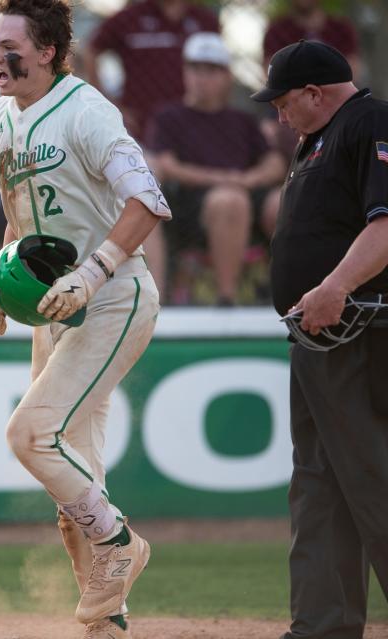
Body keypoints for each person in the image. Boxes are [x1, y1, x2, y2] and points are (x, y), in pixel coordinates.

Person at [0, 0, 171, 635]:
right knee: (72, 499)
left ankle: (122, 543)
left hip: (112, 299)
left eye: (10, 45)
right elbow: (21, 211)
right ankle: (105, 622)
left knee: (30, 436)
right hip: (49, 308)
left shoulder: (87, 111)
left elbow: (148, 199)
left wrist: (92, 272)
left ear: (47, 52)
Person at [251, 40, 388, 639]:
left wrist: (333, 287)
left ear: (315, 93)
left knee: (373, 478)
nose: (279, 117)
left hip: (360, 332)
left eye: (284, 103)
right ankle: (321, 628)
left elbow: (387, 223)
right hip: (317, 337)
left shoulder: (370, 121)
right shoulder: (316, 137)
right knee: (317, 484)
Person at [146, 32, 285, 305]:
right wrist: (222, 179)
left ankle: (296, 293)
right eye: (195, 68)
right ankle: (227, 299)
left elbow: (275, 163)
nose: (202, 77)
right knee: (229, 200)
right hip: (188, 202)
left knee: (285, 201)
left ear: (226, 76)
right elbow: (166, 164)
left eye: (211, 70)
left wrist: (247, 179)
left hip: (244, 191)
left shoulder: (242, 120)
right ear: (185, 72)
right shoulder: (169, 116)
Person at [83, 0, 220, 142]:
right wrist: (109, 107)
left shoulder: (206, 21)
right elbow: (91, 50)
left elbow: (221, 71)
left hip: (192, 130)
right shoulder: (130, 18)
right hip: (140, 129)